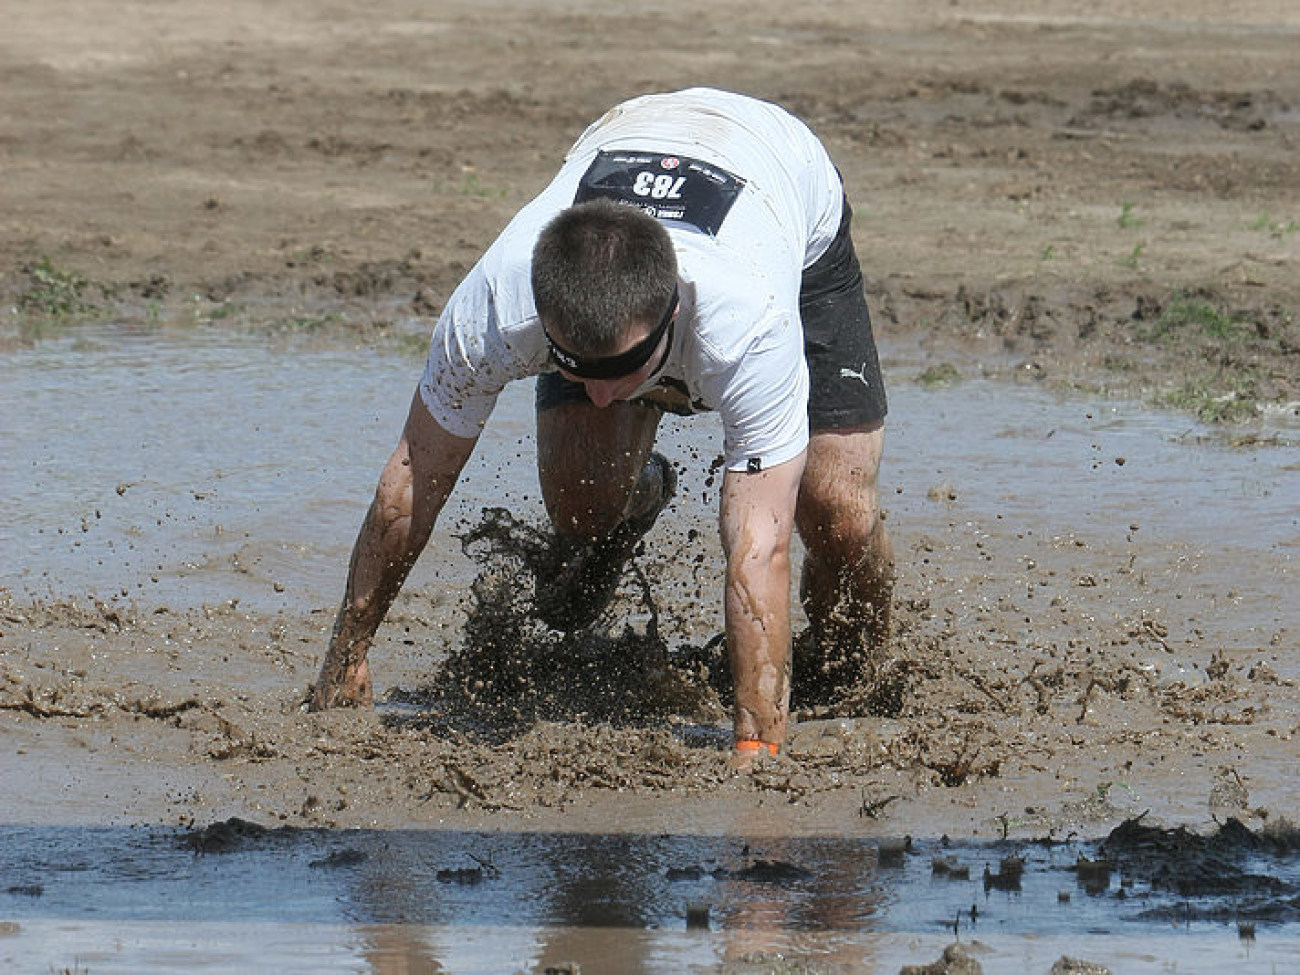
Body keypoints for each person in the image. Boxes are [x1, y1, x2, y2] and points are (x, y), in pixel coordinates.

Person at [309, 88, 893, 763]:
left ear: (673, 320)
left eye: (624, 370)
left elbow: (758, 547)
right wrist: (346, 654)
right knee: (581, 505)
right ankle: (639, 492)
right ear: (548, 317)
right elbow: (413, 478)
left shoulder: (748, 322)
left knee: (835, 512)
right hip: (627, 144)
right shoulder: (498, 305)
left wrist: (756, 745)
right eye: (574, 366)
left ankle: (861, 667)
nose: (602, 392)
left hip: (782, 180)